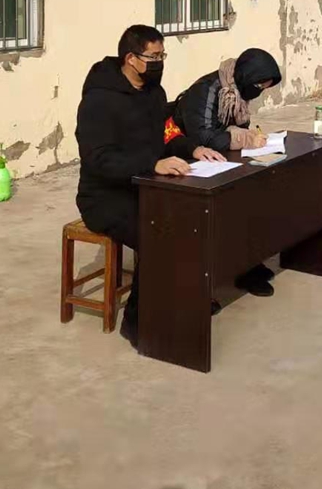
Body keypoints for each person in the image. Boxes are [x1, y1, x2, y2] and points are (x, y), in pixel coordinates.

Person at [75, 25, 224, 349]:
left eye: (162, 55)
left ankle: (185, 298)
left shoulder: (154, 93)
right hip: (105, 197)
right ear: (131, 58)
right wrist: (150, 164)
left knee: (197, 218)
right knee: (160, 232)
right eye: (153, 57)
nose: (160, 62)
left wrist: (193, 148)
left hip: (147, 186)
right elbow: (98, 159)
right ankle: (140, 323)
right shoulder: (99, 100)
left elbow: (166, 133)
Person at [169, 47, 282, 297]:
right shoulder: (207, 90)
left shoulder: (237, 90)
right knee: (217, 212)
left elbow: (237, 127)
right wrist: (243, 139)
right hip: (187, 161)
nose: (259, 91)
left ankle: (247, 265)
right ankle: (201, 285)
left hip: (217, 159)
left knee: (255, 194)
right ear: (247, 75)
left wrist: (248, 136)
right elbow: (203, 136)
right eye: (259, 85)